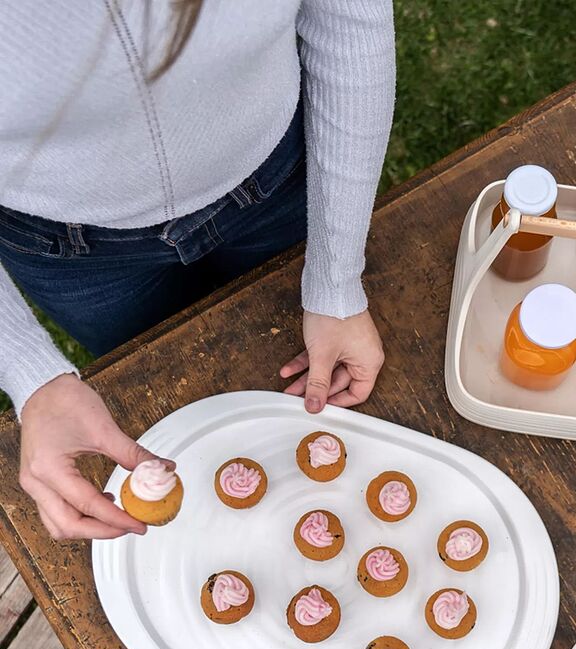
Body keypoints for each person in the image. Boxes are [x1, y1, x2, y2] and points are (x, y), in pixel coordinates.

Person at [0, 1, 395, 541]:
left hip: (276, 187)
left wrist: (335, 277)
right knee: (174, 405)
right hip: (73, 252)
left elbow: (350, 23)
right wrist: (31, 375)